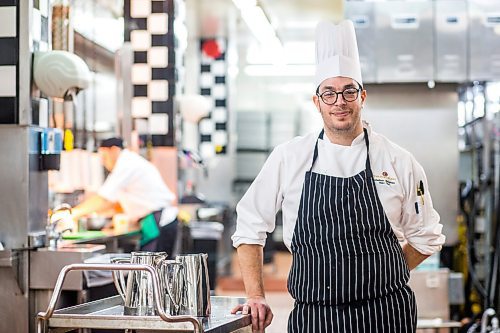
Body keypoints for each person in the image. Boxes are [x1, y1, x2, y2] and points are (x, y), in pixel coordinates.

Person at [231, 20, 446, 333]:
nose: (340, 102)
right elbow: (250, 225)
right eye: (329, 93)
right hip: (315, 318)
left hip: (386, 315)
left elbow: (427, 235)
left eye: (349, 91)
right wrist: (255, 295)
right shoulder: (289, 157)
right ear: (317, 102)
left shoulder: (398, 161)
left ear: (362, 96)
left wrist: (388, 273)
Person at [72, 137, 179, 254]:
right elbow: (115, 203)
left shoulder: (127, 163)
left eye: (104, 157)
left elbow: (103, 199)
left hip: (159, 222)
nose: (103, 162)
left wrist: (72, 213)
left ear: (114, 150)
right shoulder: (128, 163)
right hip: (157, 222)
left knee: (153, 269)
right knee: (152, 269)